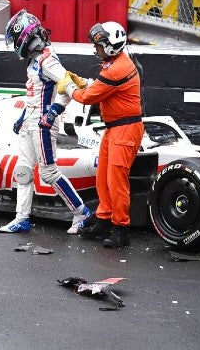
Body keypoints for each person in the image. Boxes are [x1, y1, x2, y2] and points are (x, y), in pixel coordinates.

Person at [0, 9, 93, 234]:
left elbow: (68, 85)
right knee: (22, 169)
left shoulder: (48, 61)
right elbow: (33, 94)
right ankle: (22, 218)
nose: (15, 46)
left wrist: (52, 113)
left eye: (16, 40)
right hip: (31, 121)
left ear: (25, 38)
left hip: (42, 124)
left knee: (48, 172)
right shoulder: (36, 59)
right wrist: (22, 118)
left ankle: (82, 213)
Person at [57, 21, 144, 248]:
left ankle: (121, 229)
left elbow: (88, 98)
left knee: (116, 181)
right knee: (103, 177)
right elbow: (100, 87)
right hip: (115, 128)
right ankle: (104, 219)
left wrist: (68, 87)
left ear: (111, 46)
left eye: (99, 46)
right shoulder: (114, 63)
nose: (96, 50)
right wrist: (83, 82)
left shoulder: (117, 68)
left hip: (125, 130)